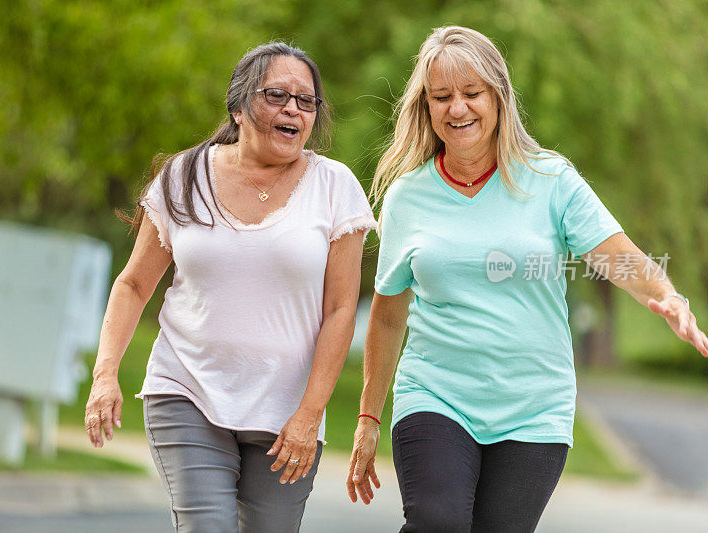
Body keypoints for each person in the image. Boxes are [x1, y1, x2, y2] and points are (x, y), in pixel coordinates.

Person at [346, 26, 708, 532]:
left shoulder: (550, 180)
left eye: (472, 93)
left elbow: (619, 257)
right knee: (438, 520)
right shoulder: (409, 196)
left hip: (534, 406)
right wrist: (367, 420)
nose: (458, 109)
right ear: (426, 107)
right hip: (437, 391)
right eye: (442, 96)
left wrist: (667, 296)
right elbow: (386, 316)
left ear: (499, 99)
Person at [84, 42, 376, 533]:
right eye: (277, 95)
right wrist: (105, 373)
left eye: (307, 101)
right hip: (187, 390)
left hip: (287, 412)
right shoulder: (184, 176)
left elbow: (341, 310)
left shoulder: (335, 187)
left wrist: (310, 413)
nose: (293, 109)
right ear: (239, 107)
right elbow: (134, 285)